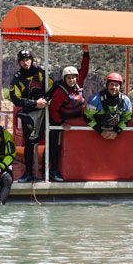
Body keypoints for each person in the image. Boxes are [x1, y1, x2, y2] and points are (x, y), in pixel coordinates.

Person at [44, 47, 90, 181]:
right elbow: (53, 110)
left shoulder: (78, 84)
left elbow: (84, 70)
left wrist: (86, 53)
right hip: (58, 121)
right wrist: (61, 123)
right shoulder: (60, 92)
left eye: (74, 78)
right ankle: (53, 171)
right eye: (69, 78)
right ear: (65, 79)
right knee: (54, 147)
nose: (72, 80)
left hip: (75, 119)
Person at [9, 48, 52, 183]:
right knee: (29, 142)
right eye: (22, 61)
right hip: (29, 113)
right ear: (19, 63)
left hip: (44, 110)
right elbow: (15, 98)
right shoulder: (17, 78)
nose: (26, 63)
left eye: (27, 60)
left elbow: (51, 87)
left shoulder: (40, 73)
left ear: (31, 60)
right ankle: (28, 173)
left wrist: (44, 100)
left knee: (49, 140)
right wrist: (34, 103)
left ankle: (47, 171)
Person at [84, 72, 132, 139]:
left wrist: (117, 132)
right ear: (107, 85)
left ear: (120, 87)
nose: (114, 87)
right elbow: (87, 117)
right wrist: (100, 132)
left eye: (116, 85)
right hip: (96, 135)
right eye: (111, 84)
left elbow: (127, 118)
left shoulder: (125, 101)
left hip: (115, 137)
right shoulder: (95, 99)